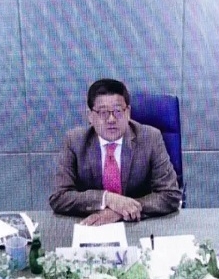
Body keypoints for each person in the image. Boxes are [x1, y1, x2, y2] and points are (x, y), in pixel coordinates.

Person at [49, 78, 182, 225]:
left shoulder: (150, 137)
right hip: (91, 226)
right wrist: (107, 199)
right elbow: (59, 197)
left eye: (118, 111)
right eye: (103, 112)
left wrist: (120, 211)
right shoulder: (74, 141)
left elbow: (171, 195)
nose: (111, 119)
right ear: (90, 116)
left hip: (138, 225)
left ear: (128, 112)